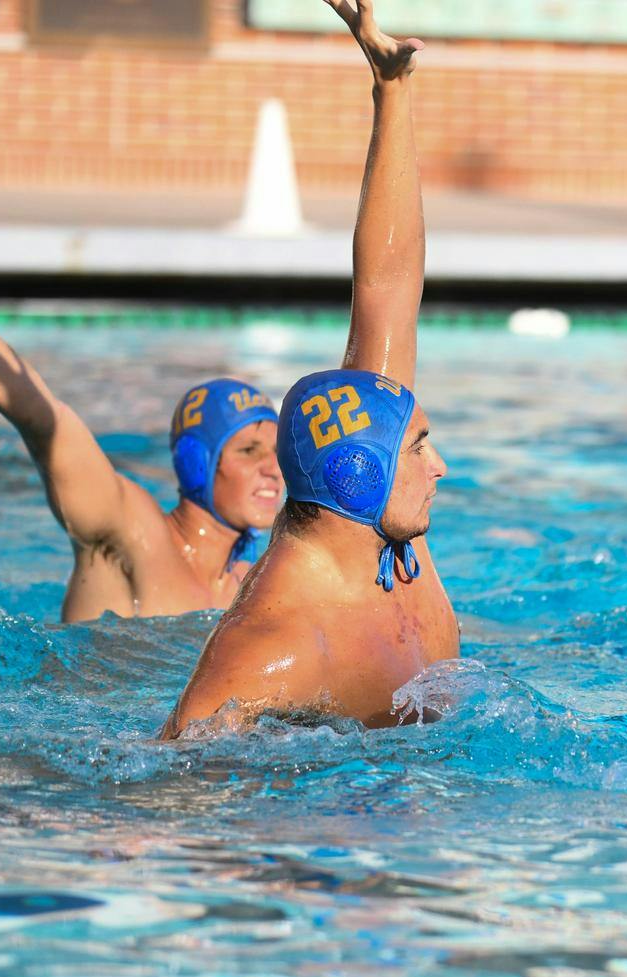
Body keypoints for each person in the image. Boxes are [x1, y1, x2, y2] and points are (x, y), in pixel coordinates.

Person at [164, 0, 453, 736]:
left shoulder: (390, 536)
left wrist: (392, 93)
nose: (441, 466)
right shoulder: (273, 646)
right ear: (359, 472)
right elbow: (159, 785)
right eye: (418, 447)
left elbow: (388, 289)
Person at [0, 343, 283, 622]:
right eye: (249, 451)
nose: (274, 469)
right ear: (196, 463)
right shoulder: (132, 532)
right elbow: (46, 423)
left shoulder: (253, 587)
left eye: (277, 452)